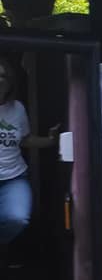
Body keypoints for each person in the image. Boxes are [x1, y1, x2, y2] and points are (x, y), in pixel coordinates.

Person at [0, 56, 55, 253]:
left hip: (13, 178)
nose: (0, 80)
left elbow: (24, 139)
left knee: (17, 218)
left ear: (10, 82)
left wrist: (50, 141)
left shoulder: (17, 108)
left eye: (3, 76)